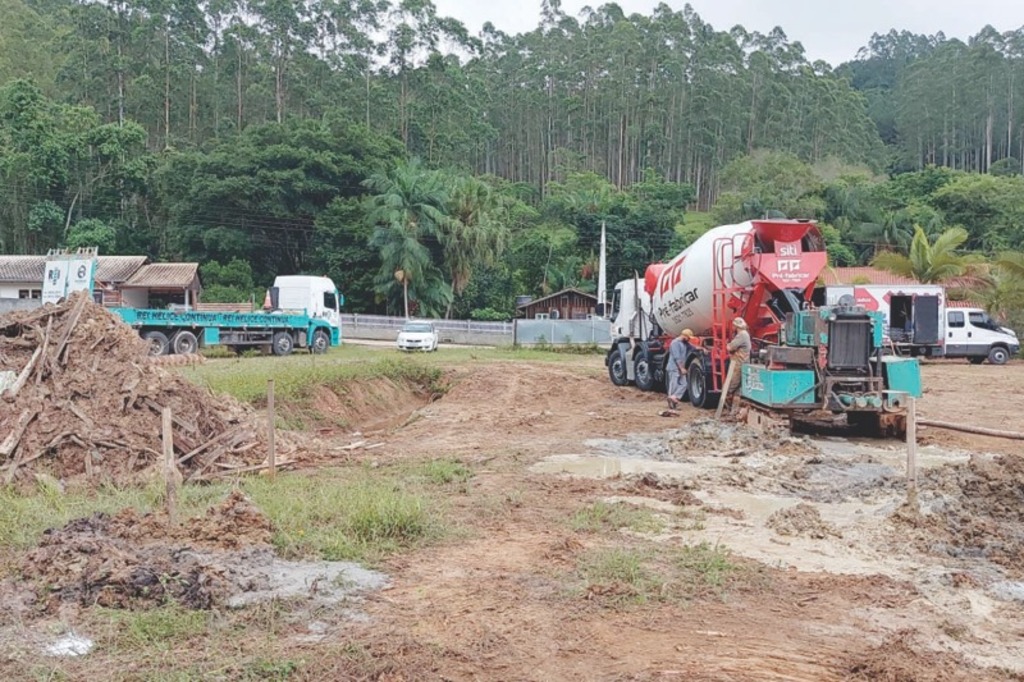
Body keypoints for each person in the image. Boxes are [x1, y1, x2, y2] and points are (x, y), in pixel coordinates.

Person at [725, 318, 751, 411]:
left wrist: (726, 344)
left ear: (736, 326)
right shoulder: (745, 334)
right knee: (738, 390)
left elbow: (730, 347)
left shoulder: (742, 335)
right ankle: (734, 411)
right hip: (743, 363)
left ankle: (728, 408)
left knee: (729, 387)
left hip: (738, 364)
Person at [666, 328, 696, 409]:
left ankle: (674, 397)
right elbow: (677, 358)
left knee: (684, 384)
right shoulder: (675, 343)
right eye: (688, 337)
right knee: (674, 385)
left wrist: (702, 348)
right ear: (684, 336)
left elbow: (693, 347)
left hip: (679, 368)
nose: (689, 339)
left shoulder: (684, 343)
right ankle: (672, 403)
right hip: (674, 368)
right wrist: (682, 368)